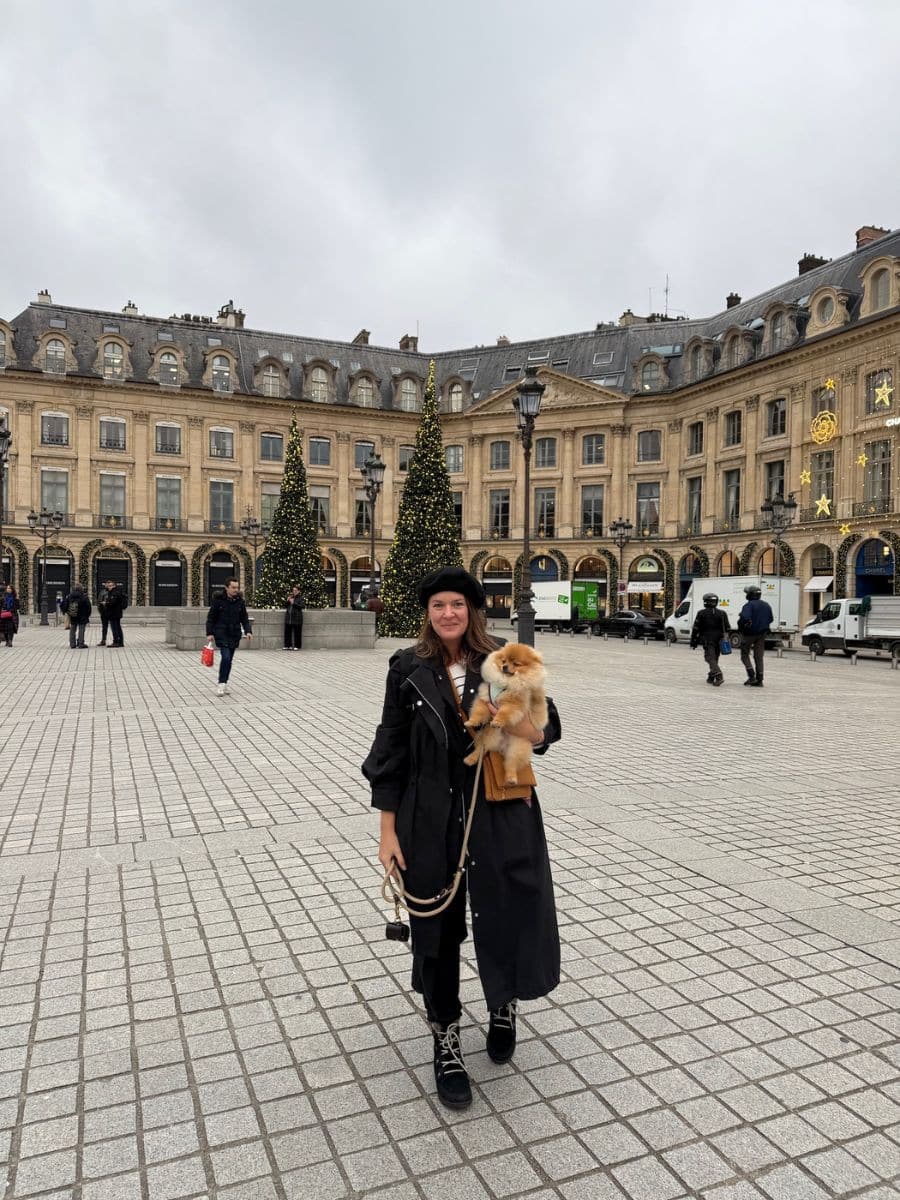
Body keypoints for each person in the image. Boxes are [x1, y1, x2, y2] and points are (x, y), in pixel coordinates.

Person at [363, 566, 561, 1111]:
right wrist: (386, 829)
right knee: (436, 927)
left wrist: (510, 720)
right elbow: (390, 749)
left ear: (472, 609)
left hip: (498, 807)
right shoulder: (407, 667)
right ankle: (445, 1033)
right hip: (428, 815)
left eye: (457, 604)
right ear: (427, 613)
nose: (447, 613)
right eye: (437, 605)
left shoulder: (506, 661)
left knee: (507, 909)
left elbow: (548, 733)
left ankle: (503, 1005)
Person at [205, 578, 252, 696]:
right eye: (233, 587)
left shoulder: (240, 601)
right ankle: (221, 684)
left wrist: (248, 631)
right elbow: (211, 618)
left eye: (237, 587)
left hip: (234, 634)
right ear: (227, 588)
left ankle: (224, 683)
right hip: (221, 633)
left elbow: (244, 618)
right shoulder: (218, 601)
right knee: (225, 657)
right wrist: (209, 633)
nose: (236, 590)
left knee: (229, 660)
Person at [690, 592, 731, 686]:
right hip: (719, 639)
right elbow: (728, 628)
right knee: (715, 657)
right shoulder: (722, 613)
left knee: (709, 657)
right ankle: (711, 677)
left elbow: (696, 628)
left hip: (707, 639)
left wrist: (693, 642)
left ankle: (718, 675)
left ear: (706, 602)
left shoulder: (701, 613)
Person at [738, 583, 774, 687]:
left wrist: (742, 627)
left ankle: (751, 676)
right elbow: (771, 618)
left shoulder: (749, 605)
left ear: (750, 595)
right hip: (762, 634)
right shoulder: (766, 605)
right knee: (759, 656)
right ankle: (760, 679)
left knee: (744, 655)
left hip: (749, 634)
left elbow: (744, 618)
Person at [98, 578, 128, 647]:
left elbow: (113, 602)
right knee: (118, 627)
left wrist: (106, 603)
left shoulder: (114, 592)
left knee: (115, 628)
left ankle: (116, 642)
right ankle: (120, 642)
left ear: (114, 586)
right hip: (116, 613)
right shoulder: (117, 592)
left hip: (113, 613)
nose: (109, 587)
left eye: (110, 586)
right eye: (108, 586)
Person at [62, 584, 91, 649]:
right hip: (82, 616)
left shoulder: (69, 596)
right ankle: (81, 644)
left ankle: (72, 644)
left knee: (72, 629)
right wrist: (87, 615)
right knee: (81, 629)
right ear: (81, 589)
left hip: (73, 615)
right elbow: (89, 607)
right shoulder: (84, 597)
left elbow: (64, 605)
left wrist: (67, 612)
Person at [283, 585, 304, 650]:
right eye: (293, 590)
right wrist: (287, 601)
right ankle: (287, 645)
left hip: (297, 618)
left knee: (297, 633)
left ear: (298, 591)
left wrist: (293, 603)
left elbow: (301, 606)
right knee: (287, 632)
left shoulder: (301, 598)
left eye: (295, 590)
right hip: (289, 618)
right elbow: (285, 606)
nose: (294, 592)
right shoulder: (291, 597)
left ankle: (297, 646)